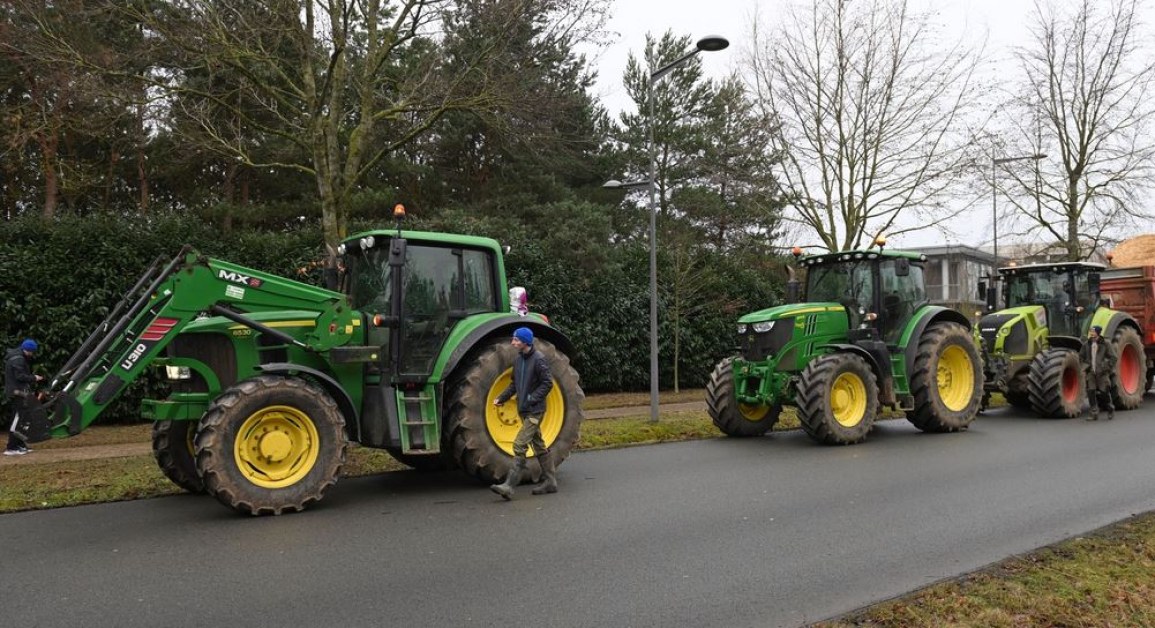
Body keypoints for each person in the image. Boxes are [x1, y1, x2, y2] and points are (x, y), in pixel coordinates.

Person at [489, 327, 556, 500]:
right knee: (539, 444)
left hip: (535, 410)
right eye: (513, 339)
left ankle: (509, 486)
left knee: (519, 444)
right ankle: (550, 482)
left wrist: (532, 398)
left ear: (525, 342)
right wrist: (501, 398)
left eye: (516, 340)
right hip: (524, 409)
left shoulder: (539, 360)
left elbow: (547, 383)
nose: (513, 342)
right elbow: (514, 384)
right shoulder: (518, 360)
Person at [5, 339, 44, 455]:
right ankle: (11, 447)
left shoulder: (17, 356)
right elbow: (20, 376)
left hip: (18, 392)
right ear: (27, 350)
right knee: (18, 419)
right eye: (31, 352)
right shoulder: (18, 359)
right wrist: (34, 378)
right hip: (18, 392)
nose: (32, 354)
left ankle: (20, 444)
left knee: (23, 419)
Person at [1079, 325, 1115, 421]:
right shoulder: (1087, 344)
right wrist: (1085, 366)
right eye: (1090, 331)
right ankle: (1094, 413)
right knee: (1091, 391)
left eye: (1093, 331)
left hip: (1102, 373)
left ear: (1098, 333)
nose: (1091, 333)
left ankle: (1110, 407)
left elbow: (1113, 358)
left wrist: (1105, 367)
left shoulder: (1105, 344)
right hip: (1091, 372)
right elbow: (1081, 356)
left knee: (1104, 392)